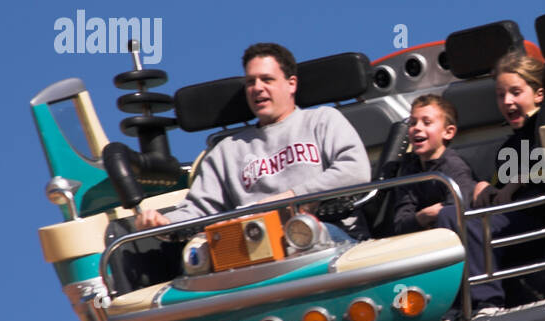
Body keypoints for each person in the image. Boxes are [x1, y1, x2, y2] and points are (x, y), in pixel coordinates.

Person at [134, 42, 371, 235]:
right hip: (255, 247)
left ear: (291, 84)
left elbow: (355, 171)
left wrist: (291, 199)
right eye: (250, 82)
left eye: (267, 79)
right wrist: (162, 222)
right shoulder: (225, 152)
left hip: (328, 235)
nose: (257, 88)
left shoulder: (322, 120)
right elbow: (198, 210)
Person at [437, 51, 545, 312]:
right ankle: (456, 305)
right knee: (449, 216)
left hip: (538, 219)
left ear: (538, 94)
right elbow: (500, 187)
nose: (507, 101)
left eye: (516, 92)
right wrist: (486, 187)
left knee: (472, 226)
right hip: (508, 219)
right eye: (501, 95)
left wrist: (517, 182)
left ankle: (488, 304)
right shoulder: (511, 143)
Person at [390, 94, 478, 234]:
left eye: (427, 122)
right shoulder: (410, 169)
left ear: (448, 132)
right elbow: (400, 224)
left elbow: (458, 213)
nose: (417, 128)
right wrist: (423, 216)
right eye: (413, 123)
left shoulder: (454, 167)